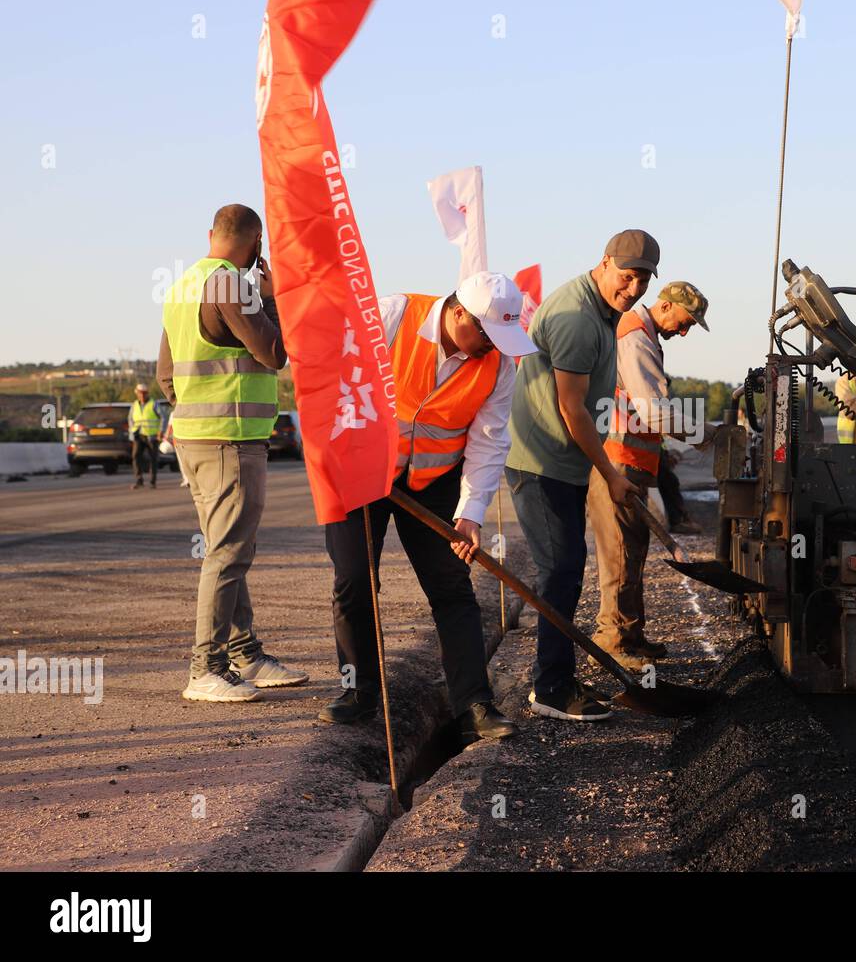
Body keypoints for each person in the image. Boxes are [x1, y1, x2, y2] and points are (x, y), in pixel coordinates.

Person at [321, 272, 533, 744]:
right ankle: (359, 694)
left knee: (452, 588)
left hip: (432, 482)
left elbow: (489, 440)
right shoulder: (393, 315)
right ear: (459, 313)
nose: (493, 347)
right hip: (360, 474)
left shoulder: (498, 366)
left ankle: (474, 704)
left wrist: (471, 512)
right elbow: (330, 372)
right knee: (354, 580)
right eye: (487, 334)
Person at [505, 229, 659, 722]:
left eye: (643, 281)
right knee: (562, 570)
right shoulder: (576, 318)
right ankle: (550, 687)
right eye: (627, 276)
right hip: (541, 462)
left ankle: (557, 677)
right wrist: (611, 473)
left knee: (566, 571)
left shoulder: (606, 312)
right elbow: (571, 410)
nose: (633, 289)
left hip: (564, 464)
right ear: (606, 262)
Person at [158, 204, 307, 702]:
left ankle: (245, 655)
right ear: (257, 243)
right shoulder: (229, 285)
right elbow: (274, 353)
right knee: (227, 553)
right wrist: (271, 297)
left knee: (226, 550)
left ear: (211, 235)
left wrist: (193, 415)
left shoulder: (182, 286)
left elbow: (166, 375)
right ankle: (206, 668)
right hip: (232, 439)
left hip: (196, 439)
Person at [589, 281, 711, 667]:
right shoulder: (635, 336)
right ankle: (613, 641)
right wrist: (708, 436)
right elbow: (655, 413)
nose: (685, 331)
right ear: (665, 306)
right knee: (621, 556)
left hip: (632, 463)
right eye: (685, 321)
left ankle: (631, 634)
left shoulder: (643, 335)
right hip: (618, 461)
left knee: (632, 553)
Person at [128, 383, 161, 488]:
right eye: (140, 393)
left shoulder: (153, 404)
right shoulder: (134, 405)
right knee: (136, 456)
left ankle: (152, 481)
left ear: (147, 394)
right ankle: (139, 480)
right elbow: (130, 419)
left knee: (153, 458)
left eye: (144, 393)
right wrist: (132, 431)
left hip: (152, 435)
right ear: (137, 394)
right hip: (139, 434)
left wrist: (160, 431)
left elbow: (162, 417)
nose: (142, 395)